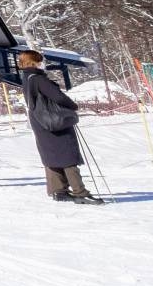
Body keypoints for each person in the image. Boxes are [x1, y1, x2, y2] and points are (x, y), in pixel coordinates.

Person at [19, 49, 102, 204]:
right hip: (54, 121)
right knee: (67, 155)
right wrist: (72, 105)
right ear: (34, 62)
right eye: (40, 60)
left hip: (39, 121)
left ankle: (58, 190)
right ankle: (80, 192)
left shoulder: (26, 77)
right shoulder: (38, 78)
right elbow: (57, 96)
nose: (42, 63)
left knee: (51, 155)